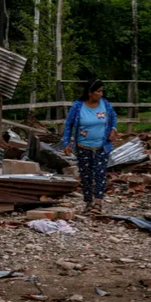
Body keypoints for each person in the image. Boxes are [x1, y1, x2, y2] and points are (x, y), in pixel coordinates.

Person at [61, 78, 118, 214]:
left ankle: (98, 202)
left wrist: (113, 129)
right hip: (83, 146)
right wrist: (67, 143)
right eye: (98, 91)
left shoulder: (105, 104)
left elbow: (113, 117)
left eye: (101, 91)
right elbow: (68, 125)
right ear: (90, 93)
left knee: (100, 173)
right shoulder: (78, 106)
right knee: (86, 175)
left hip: (101, 146)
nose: (101, 94)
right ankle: (88, 202)